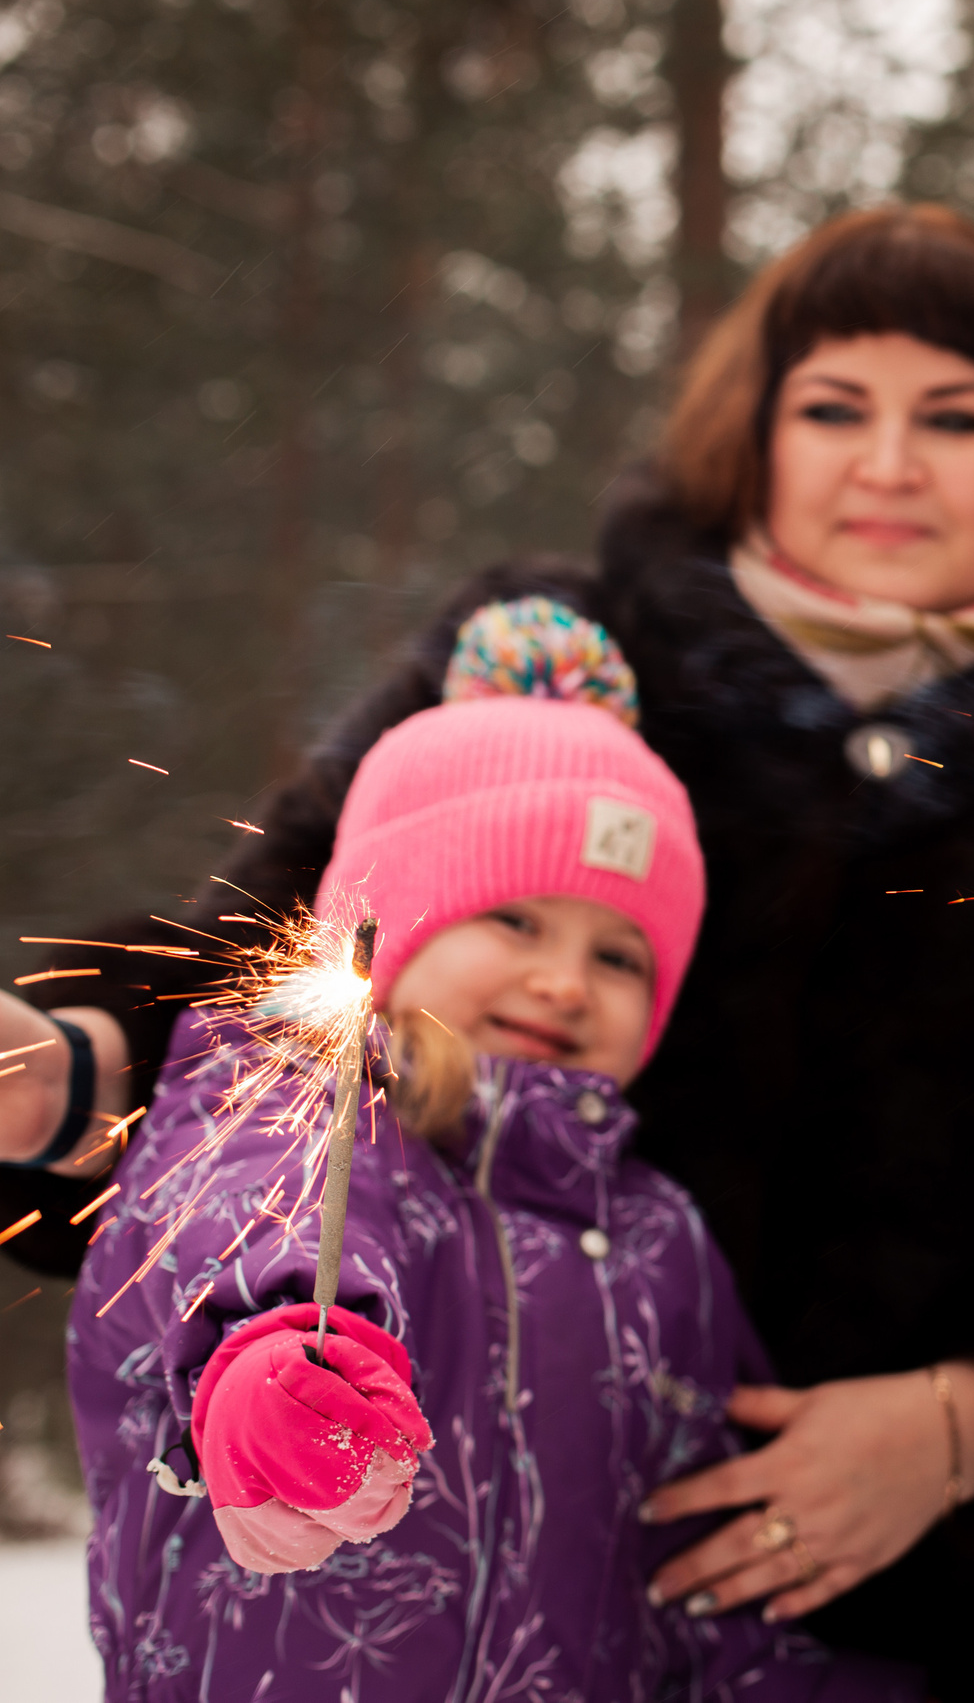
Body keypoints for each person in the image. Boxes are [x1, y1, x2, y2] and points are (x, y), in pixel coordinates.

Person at [8, 202, 974, 1700]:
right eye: (835, 407)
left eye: (955, 417)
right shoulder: (557, 663)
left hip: (941, 1608)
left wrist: (971, 1423)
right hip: (467, 1561)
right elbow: (298, 936)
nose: (890, 463)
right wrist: (81, 1058)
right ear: (755, 433)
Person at [72, 688, 920, 1702]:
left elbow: (699, 1566)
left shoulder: (659, 1236)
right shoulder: (292, 1100)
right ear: (385, 934)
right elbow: (249, 1216)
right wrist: (274, 1362)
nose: (565, 982)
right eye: (515, 921)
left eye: (616, 955)